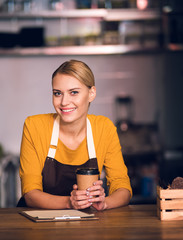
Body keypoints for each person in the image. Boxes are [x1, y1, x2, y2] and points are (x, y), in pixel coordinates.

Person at [19, 59, 132, 210]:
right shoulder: (34, 127)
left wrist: (105, 203)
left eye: (74, 92)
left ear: (91, 93)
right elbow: (30, 194)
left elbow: (122, 187)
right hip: (40, 226)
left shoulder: (104, 128)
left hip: (87, 226)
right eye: (58, 93)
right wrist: (69, 202)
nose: (64, 102)